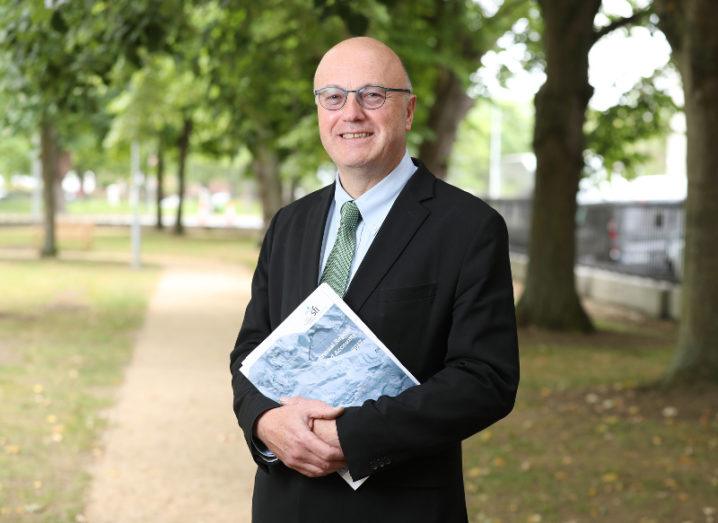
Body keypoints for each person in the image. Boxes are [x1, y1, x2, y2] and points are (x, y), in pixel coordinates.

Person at [230, 36, 519, 523]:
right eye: (334, 97)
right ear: (320, 110)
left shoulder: (469, 228)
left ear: (407, 112)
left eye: (372, 95)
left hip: (400, 505)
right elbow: (251, 351)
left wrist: (352, 437)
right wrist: (264, 420)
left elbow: (485, 379)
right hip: (284, 503)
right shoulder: (289, 224)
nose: (352, 113)